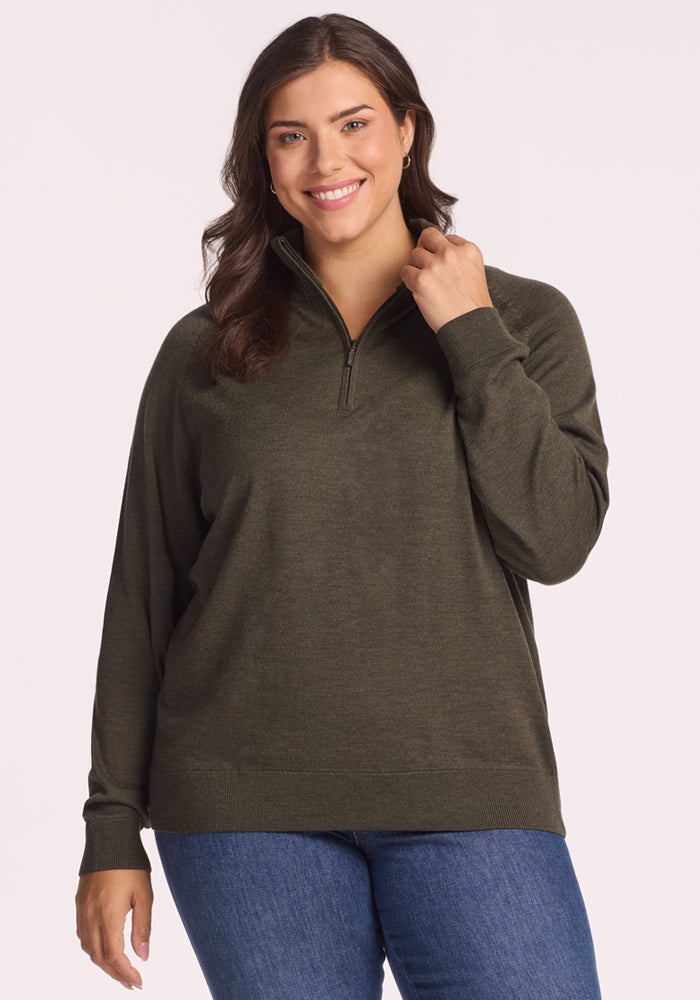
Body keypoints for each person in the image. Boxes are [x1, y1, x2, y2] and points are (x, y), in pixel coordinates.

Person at [75, 13, 609, 1000]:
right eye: (292, 135)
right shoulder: (205, 351)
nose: (328, 159)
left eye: (355, 123)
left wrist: (472, 337)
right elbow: (143, 595)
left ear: (408, 131)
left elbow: (557, 537)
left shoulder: (523, 320)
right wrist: (112, 828)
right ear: (262, 158)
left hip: (469, 787)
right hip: (242, 811)